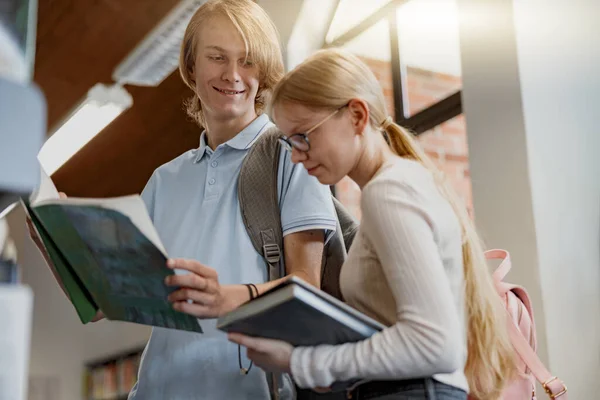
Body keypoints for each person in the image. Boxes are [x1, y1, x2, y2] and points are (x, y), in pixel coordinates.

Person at [31, 1, 337, 399]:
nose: (233, 75)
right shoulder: (165, 179)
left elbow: (306, 289)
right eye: (217, 57)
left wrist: (226, 298)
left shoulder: (291, 155)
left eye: (247, 61)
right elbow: (107, 301)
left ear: (263, 69)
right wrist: (54, 239)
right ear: (191, 67)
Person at [228, 48, 517, 400]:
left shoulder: (387, 193)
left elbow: (435, 344)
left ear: (356, 116)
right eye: (290, 142)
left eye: (304, 136)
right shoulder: (404, 183)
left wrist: (304, 361)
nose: (296, 154)